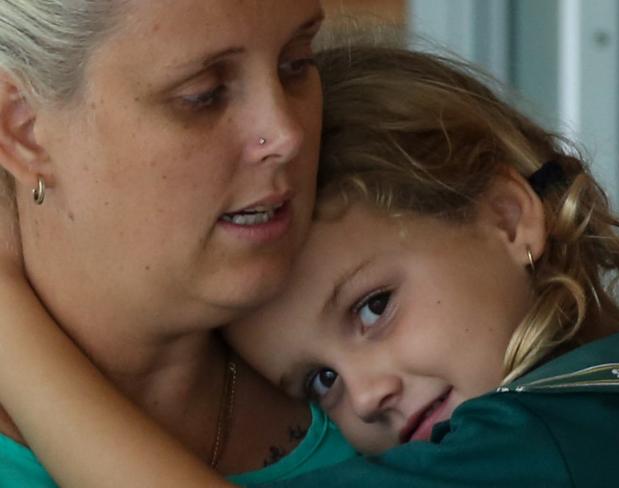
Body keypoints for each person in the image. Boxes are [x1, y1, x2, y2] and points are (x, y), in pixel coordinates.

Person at [2, 42, 619, 487]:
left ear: (507, 218)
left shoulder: (536, 441)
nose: (367, 397)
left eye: (374, 308)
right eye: (320, 383)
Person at [0, 1, 357, 486]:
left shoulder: (400, 391)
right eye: (204, 94)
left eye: (295, 64)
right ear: (24, 132)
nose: (286, 135)